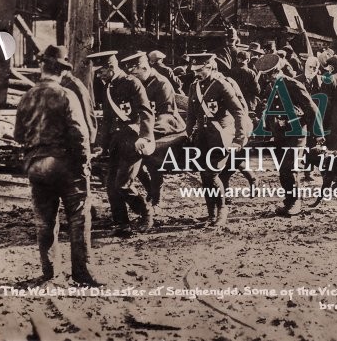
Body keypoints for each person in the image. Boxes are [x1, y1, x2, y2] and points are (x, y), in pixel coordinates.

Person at [14, 45, 102, 286]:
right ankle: (82, 274)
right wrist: (84, 163)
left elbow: (18, 134)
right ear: (62, 71)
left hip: (35, 164)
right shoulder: (66, 95)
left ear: (42, 68)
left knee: (45, 220)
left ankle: (49, 271)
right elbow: (79, 134)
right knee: (79, 216)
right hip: (63, 164)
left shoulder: (27, 96)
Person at [87, 50, 155, 236]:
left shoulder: (132, 83)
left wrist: (145, 136)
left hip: (133, 142)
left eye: (100, 71)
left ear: (111, 67)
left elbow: (145, 112)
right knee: (111, 188)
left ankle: (146, 212)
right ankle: (122, 224)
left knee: (123, 184)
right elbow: (108, 120)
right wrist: (102, 144)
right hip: (116, 143)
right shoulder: (108, 86)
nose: (98, 75)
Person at [254, 54, 325, 215]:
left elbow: (311, 108)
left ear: (277, 72)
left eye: (269, 75)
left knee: (290, 167)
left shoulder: (293, 84)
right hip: (280, 135)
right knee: (283, 170)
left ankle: (295, 203)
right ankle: (288, 202)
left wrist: (318, 134)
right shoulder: (272, 86)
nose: (268, 79)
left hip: (297, 134)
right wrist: (271, 129)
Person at [186, 53, 249, 227]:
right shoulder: (194, 86)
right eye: (195, 70)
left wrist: (239, 139)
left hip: (221, 137)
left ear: (210, 66)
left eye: (200, 70)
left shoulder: (221, 85)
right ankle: (211, 215)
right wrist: (188, 132)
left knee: (211, 174)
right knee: (204, 177)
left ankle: (222, 210)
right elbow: (191, 113)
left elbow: (238, 112)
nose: (197, 73)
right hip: (203, 139)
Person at [121, 52, 186, 211]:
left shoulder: (161, 83)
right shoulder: (135, 83)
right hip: (145, 126)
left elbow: (166, 114)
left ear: (144, 67)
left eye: (135, 72)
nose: (133, 76)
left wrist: (144, 129)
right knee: (129, 150)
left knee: (147, 153)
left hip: (167, 127)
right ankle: (150, 189)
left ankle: (155, 193)